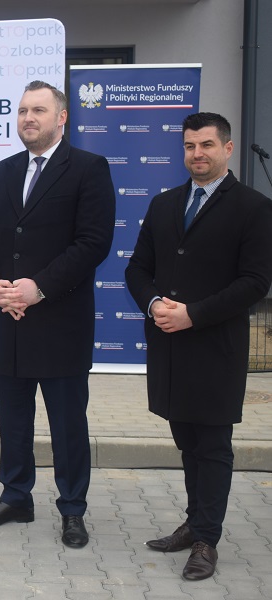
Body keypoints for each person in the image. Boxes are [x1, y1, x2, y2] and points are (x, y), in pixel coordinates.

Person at [0, 81, 115, 548]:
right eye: (23, 110)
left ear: (61, 118)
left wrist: (40, 288)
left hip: (59, 324)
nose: (28, 118)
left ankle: (72, 508)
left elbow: (93, 242)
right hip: (8, 320)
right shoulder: (3, 170)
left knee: (67, 426)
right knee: (13, 422)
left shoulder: (88, 168)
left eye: (39, 110)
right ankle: (16, 497)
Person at [125, 112, 272, 580]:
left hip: (215, 347)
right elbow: (136, 268)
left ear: (227, 148)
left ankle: (207, 539)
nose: (197, 154)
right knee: (186, 440)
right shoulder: (165, 203)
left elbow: (255, 281)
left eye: (206, 145)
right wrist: (154, 305)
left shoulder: (253, 207)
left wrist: (193, 314)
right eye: (190, 146)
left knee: (212, 445)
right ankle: (194, 523)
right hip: (169, 346)